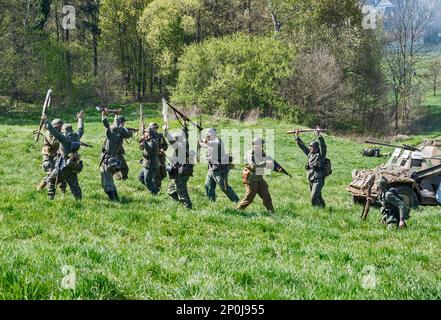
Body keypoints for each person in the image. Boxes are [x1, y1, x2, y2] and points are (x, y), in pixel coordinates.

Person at [43, 111, 84, 200]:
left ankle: (50, 199)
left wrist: (46, 121)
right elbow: (80, 129)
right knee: (74, 185)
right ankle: (79, 200)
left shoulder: (64, 138)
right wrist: (80, 119)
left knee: (51, 180)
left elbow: (54, 132)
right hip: (73, 165)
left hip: (63, 165)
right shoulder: (77, 136)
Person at [99, 112, 134, 201]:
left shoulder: (112, 135)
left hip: (108, 159)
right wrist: (116, 116)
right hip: (114, 159)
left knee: (107, 181)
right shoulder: (121, 134)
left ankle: (113, 199)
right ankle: (116, 197)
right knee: (110, 180)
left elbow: (107, 126)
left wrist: (103, 117)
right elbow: (121, 130)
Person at [200, 128, 239, 203]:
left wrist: (206, 140)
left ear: (214, 134)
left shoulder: (218, 142)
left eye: (208, 135)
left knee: (224, 187)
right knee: (208, 186)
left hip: (220, 169)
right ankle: (212, 203)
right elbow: (202, 144)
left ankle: (237, 202)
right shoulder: (210, 141)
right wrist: (200, 135)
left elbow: (210, 143)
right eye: (206, 135)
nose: (207, 136)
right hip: (211, 169)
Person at [236, 137, 274, 212]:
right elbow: (253, 166)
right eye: (260, 145)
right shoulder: (250, 153)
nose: (262, 146)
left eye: (262, 145)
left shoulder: (262, 152)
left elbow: (266, 163)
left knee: (267, 197)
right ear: (255, 145)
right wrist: (265, 163)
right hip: (251, 180)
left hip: (260, 179)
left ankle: (271, 212)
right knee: (249, 199)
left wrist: (273, 167)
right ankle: (237, 211)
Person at [164, 125, 194, 209]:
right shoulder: (181, 146)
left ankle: (188, 209)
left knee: (182, 193)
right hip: (178, 172)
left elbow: (172, 142)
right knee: (171, 190)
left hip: (182, 172)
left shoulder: (181, 146)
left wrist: (166, 132)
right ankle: (184, 204)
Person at [295, 129, 327, 208]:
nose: (309, 148)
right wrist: (297, 136)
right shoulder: (310, 154)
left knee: (313, 197)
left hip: (318, 179)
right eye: (309, 146)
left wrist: (319, 135)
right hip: (311, 178)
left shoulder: (321, 155)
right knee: (318, 195)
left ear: (316, 148)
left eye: (311, 147)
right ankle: (323, 207)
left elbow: (323, 146)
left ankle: (317, 210)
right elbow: (302, 146)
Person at [36, 119, 66, 193]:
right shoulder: (49, 132)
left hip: (56, 156)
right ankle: (42, 186)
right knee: (52, 173)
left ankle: (63, 190)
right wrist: (63, 139)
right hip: (48, 156)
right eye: (61, 126)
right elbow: (53, 143)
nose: (62, 128)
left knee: (62, 172)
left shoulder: (59, 133)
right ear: (57, 127)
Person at [138, 127, 160, 196]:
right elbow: (142, 148)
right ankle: (155, 188)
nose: (144, 133)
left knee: (148, 180)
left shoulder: (153, 141)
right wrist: (142, 142)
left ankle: (154, 193)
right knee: (141, 177)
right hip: (146, 163)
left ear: (149, 133)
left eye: (145, 132)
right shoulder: (148, 140)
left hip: (150, 164)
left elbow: (149, 150)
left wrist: (144, 141)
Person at [149, 122, 168, 190]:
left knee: (163, 173)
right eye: (152, 128)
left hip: (161, 158)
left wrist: (163, 149)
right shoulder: (148, 137)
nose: (154, 129)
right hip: (154, 159)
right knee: (157, 174)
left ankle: (157, 185)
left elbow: (165, 145)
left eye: (155, 128)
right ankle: (156, 188)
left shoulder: (160, 135)